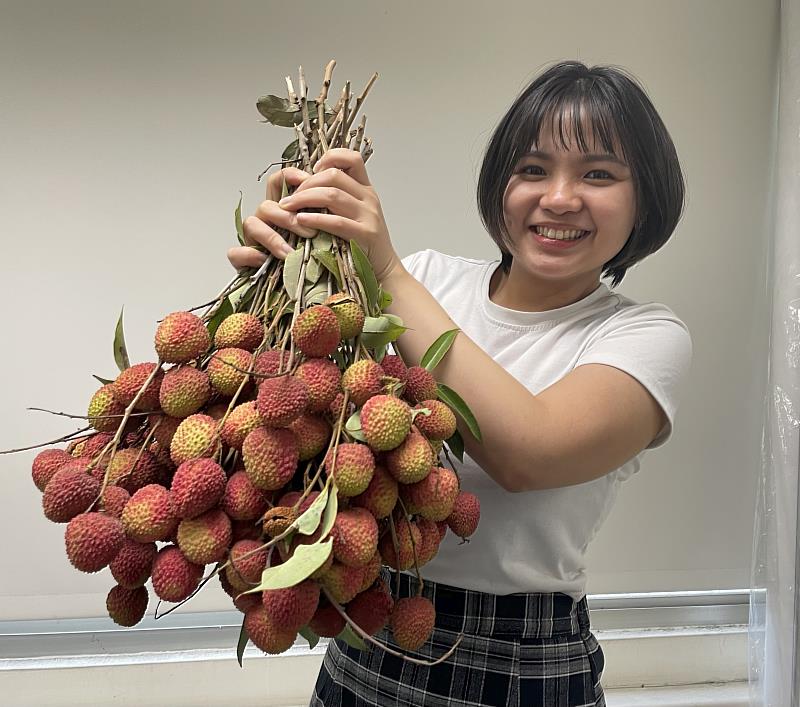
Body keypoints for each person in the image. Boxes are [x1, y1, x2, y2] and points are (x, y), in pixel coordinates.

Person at [227, 59, 692, 707]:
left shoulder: (645, 336)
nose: (558, 197)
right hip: (369, 623)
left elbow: (528, 451)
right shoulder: (430, 279)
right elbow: (305, 416)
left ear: (646, 199)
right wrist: (283, 279)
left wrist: (383, 269)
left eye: (598, 173)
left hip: (522, 656)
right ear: (500, 185)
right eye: (532, 169)